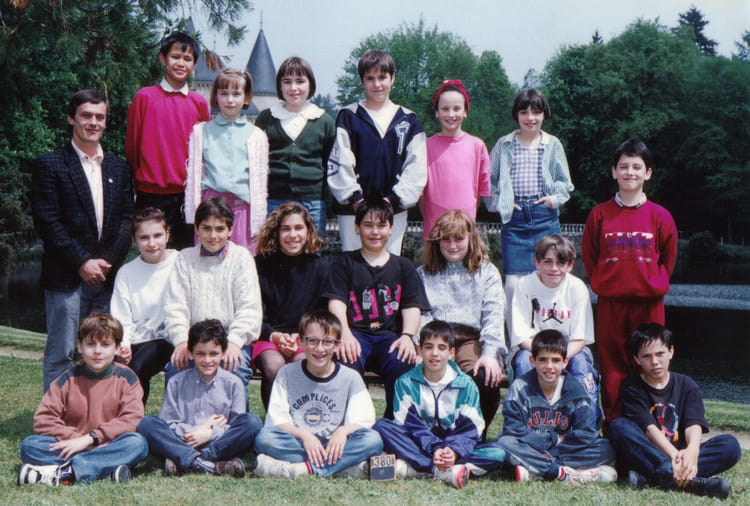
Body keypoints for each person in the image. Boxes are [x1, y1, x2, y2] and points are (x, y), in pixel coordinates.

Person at [31, 89, 134, 392]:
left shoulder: (118, 167)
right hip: (66, 276)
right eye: (86, 115)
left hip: (106, 277)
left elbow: (126, 220)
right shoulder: (51, 164)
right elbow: (48, 222)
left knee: (101, 353)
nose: (93, 122)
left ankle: (93, 412)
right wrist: (82, 262)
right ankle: (54, 414)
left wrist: (106, 262)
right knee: (61, 354)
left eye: (100, 117)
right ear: (71, 118)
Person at [582, 138, 678, 426]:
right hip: (611, 302)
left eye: (637, 167)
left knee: (650, 362)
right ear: (614, 172)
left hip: (649, 304)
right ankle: (615, 425)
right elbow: (590, 256)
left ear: (648, 173)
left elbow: (669, 258)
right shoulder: (600, 214)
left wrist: (654, 282)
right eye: (623, 167)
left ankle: (650, 426)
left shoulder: (660, 216)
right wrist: (603, 282)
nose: (630, 172)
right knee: (613, 367)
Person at [323, 198, 430, 418]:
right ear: (357, 227)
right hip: (355, 334)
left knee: (402, 360)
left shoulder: (403, 266)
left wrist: (408, 336)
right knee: (346, 359)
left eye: (381, 225)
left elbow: (412, 306)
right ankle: (352, 422)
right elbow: (336, 302)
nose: (375, 232)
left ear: (391, 229)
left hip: (389, 336)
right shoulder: (344, 262)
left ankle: (393, 423)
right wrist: (344, 333)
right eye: (368, 225)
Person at [608, 323, 741, 499]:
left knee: (730, 445)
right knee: (619, 427)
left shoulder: (687, 385)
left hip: (681, 455)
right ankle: (692, 483)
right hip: (650, 453)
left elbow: (694, 424)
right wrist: (674, 457)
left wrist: (692, 452)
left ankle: (651, 478)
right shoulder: (632, 387)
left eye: (660, 354)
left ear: (671, 351)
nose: (655, 362)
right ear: (637, 359)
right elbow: (649, 429)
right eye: (646, 356)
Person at [373, 321, 507, 489]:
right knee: (382, 427)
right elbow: (408, 425)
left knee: (498, 453)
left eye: (441, 348)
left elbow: (472, 428)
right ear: (420, 350)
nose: (434, 353)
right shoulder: (405, 383)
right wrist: (435, 449)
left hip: (452, 448)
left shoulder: (466, 385)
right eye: (428, 347)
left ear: (451, 353)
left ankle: (415, 468)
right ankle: (439, 470)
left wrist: (453, 451)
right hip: (420, 445)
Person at [19, 314, 147, 486]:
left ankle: (66, 471)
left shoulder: (127, 378)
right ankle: (104, 467)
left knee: (137, 444)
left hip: (109, 443)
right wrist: (77, 440)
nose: (97, 351)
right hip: (73, 444)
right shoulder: (66, 379)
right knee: (30, 446)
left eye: (105, 344)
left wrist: (91, 439)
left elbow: (132, 419)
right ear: (80, 346)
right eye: (91, 344)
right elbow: (43, 420)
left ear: (117, 348)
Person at [254, 310, 383, 479]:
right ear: (301, 342)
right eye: (312, 341)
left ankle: (304, 468)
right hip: (299, 443)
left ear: (337, 345)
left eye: (327, 342)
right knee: (264, 438)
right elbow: (277, 421)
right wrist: (304, 435)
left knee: (373, 440)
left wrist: (343, 431)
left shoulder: (351, 377)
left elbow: (363, 422)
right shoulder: (286, 373)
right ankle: (342, 467)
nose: (320, 349)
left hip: (336, 445)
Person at [485, 89, 573, 330]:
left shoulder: (552, 144)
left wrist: (552, 200)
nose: (530, 118)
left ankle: (551, 335)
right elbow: (488, 181)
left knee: (551, 277)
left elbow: (564, 181)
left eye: (536, 112)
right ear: (517, 115)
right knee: (514, 283)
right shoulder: (504, 144)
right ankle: (517, 339)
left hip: (544, 216)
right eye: (524, 112)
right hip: (515, 219)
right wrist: (500, 203)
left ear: (544, 114)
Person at [327, 49, 427, 254]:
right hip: (353, 211)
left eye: (382, 77)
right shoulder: (349, 116)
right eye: (370, 78)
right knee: (354, 265)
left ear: (393, 78)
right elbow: (340, 162)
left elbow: (416, 169)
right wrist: (355, 199)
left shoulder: (408, 119)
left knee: (389, 266)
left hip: (393, 212)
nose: (377, 84)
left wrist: (393, 201)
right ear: (362, 81)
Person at [137, 319, 262, 478]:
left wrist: (209, 433)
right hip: (184, 440)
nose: (207, 360)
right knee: (147, 423)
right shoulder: (176, 382)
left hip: (220, 444)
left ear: (223, 353)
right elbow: (169, 423)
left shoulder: (233, 383)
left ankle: (190, 461)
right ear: (190, 353)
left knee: (252, 422)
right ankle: (210, 465)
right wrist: (199, 430)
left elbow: (235, 425)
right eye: (200, 354)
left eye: (213, 354)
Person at [417, 210, 506, 433]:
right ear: (437, 241)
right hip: (436, 338)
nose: (452, 245)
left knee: (485, 377)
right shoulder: (423, 273)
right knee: (424, 372)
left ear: (471, 239)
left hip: (471, 340)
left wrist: (490, 353)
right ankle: (432, 434)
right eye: (446, 239)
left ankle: (475, 434)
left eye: (459, 239)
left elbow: (494, 314)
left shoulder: (487, 272)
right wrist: (423, 347)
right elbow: (421, 313)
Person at [497, 329, 617, 485]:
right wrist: (553, 440)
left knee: (606, 448)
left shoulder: (575, 390)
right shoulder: (520, 387)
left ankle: (535, 471)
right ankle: (562, 473)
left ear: (565, 362)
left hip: (561, 449)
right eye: (543, 360)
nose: (549, 366)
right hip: (532, 446)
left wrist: (554, 449)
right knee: (505, 442)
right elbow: (513, 429)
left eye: (555, 360)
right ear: (532, 360)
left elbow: (586, 433)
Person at [164, 196, 261, 387]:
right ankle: (181, 408)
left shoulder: (242, 258)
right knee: (177, 368)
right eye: (206, 228)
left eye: (220, 229)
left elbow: (249, 309)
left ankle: (235, 408)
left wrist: (235, 342)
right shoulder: (184, 258)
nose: (213, 236)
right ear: (196, 229)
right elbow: (175, 307)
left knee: (235, 367)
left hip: (230, 338)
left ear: (230, 230)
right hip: (193, 340)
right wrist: (182, 341)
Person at [126, 32, 210, 247]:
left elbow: (204, 151)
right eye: (175, 57)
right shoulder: (145, 97)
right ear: (163, 59)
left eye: (187, 59)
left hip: (187, 196)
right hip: (150, 194)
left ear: (194, 64)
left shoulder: (199, 103)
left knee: (186, 254)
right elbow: (133, 146)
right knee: (152, 252)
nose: (181, 63)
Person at [509, 235, 600, 429]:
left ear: (570, 265)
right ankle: (524, 427)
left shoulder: (577, 287)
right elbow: (521, 337)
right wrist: (546, 356)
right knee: (524, 362)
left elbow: (579, 339)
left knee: (581, 366)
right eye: (547, 262)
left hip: (571, 350)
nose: (554, 268)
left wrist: (558, 358)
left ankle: (587, 429)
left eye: (561, 263)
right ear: (537, 263)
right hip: (533, 348)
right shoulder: (524, 285)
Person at [251, 202, 331, 409]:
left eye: (298, 228)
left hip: (305, 337)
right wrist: (274, 336)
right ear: (276, 233)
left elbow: (322, 314)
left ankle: (300, 419)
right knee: (274, 365)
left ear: (308, 231)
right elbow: (254, 312)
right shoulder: (260, 265)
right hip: (267, 335)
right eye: (285, 229)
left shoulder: (322, 268)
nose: (292, 235)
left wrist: (301, 336)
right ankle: (274, 421)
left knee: (300, 365)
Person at [185, 68, 269, 253]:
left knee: (241, 259)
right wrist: (193, 215)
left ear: (246, 98)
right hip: (210, 206)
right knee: (209, 259)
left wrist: (259, 221)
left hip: (242, 209)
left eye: (236, 94)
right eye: (224, 93)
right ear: (216, 96)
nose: (230, 100)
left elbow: (260, 183)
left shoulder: (257, 135)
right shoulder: (201, 132)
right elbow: (194, 177)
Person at [255, 56, 335, 236]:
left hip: (312, 201)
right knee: (274, 247)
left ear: (310, 84)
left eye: (300, 81)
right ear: (279, 86)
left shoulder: (324, 121)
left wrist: (328, 203)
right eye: (287, 82)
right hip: (273, 200)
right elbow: (257, 162)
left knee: (312, 248)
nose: (293, 88)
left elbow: (329, 165)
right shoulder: (266, 118)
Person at [110, 208, 178, 404]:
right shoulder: (126, 272)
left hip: (170, 336)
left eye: (157, 235)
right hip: (137, 339)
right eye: (144, 238)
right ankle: (111, 415)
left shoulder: (180, 262)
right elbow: (121, 316)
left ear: (167, 235)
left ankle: (132, 418)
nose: (152, 243)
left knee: (137, 369)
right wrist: (123, 345)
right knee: (113, 369)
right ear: (134, 240)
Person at [420, 80, 491, 240]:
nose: (451, 115)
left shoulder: (477, 146)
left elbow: (478, 194)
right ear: (436, 112)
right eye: (445, 109)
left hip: (465, 232)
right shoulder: (425, 147)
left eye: (457, 108)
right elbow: (420, 195)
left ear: (465, 112)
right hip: (434, 230)